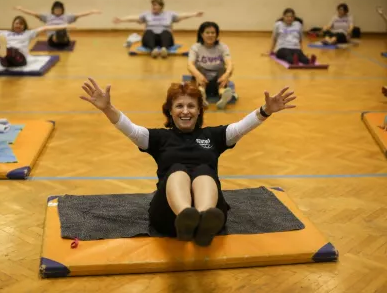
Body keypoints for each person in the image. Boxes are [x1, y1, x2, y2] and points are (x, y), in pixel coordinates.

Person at [79, 77, 296, 246]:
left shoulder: (214, 136)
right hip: (167, 216)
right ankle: (185, 217)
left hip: (212, 212)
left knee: (203, 170)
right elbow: (129, 128)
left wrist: (266, 110)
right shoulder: (159, 138)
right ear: (170, 111)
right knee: (178, 169)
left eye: (191, 106)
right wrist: (107, 108)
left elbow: (242, 126)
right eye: (179, 106)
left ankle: (202, 221)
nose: (185, 111)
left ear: (199, 110)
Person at [113, 0, 203, 58]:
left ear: (161, 6)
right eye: (152, 5)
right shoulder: (147, 14)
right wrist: (121, 19)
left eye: (155, 5)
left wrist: (194, 14)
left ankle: (164, 49)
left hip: (165, 38)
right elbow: (134, 18)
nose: (153, 7)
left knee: (165, 32)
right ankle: (153, 50)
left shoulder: (169, 14)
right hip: (151, 38)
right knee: (149, 32)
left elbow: (182, 16)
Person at [0, 16, 74, 67]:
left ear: (24, 26)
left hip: (20, 59)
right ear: (13, 24)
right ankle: (2, 52)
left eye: (21, 24)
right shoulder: (6, 33)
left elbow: (45, 28)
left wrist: (65, 26)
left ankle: (2, 50)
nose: (18, 25)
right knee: (3, 48)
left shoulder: (28, 33)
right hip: (6, 62)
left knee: (11, 51)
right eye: (16, 23)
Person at [187, 21, 236, 110]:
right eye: (207, 33)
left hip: (218, 77)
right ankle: (202, 94)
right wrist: (198, 75)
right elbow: (190, 65)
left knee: (223, 69)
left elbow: (229, 63)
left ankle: (223, 94)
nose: (210, 35)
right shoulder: (195, 47)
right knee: (198, 68)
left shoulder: (223, 47)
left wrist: (226, 75)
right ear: (201, 34)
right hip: (202, 77)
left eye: (213, 33)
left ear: (217, 34)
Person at [14, 1, 101, 49]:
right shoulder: (47, 16)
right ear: (53, 10)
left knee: (62, 31)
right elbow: (33, 14)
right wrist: (21, 9)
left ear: (62, 10)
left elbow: (80, 15)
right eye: (56, 10)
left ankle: (62, 38)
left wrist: (92, 12)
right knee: (58, 32)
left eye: (59, 10)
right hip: (52, 40)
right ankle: (58, 38)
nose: (58, 11)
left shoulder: (67, 16)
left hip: (65, 41)